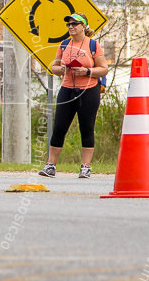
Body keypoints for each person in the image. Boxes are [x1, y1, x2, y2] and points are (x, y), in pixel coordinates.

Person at [39, 13, 109, 179]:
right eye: (69, 24)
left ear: (83, 26)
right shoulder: (64, 45)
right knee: (59, 128)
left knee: (86, 128)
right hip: (67, 88)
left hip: (88, 90)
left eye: (75, 24)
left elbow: (104, 68)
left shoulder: (93, 45)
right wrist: (62, 69)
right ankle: (51, 165)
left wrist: (87, 71)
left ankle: (85, 167)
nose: (71, 27)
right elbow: (53, 67)